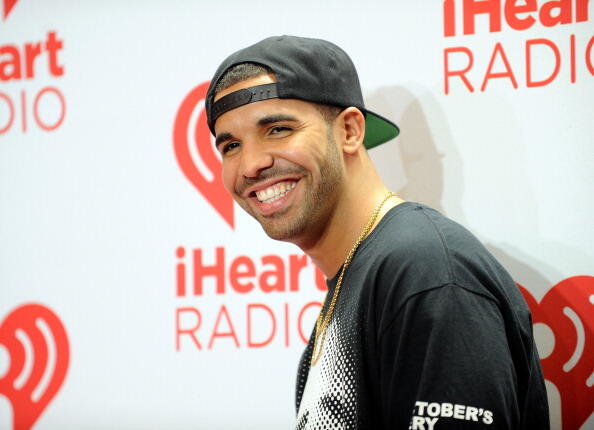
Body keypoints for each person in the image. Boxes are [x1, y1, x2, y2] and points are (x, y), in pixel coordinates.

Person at [205, 35, 549, 430]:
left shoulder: (425, 269)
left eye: (279, 129)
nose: (250, 164)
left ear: (350, 130)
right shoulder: (362, 279)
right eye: (230, 145)